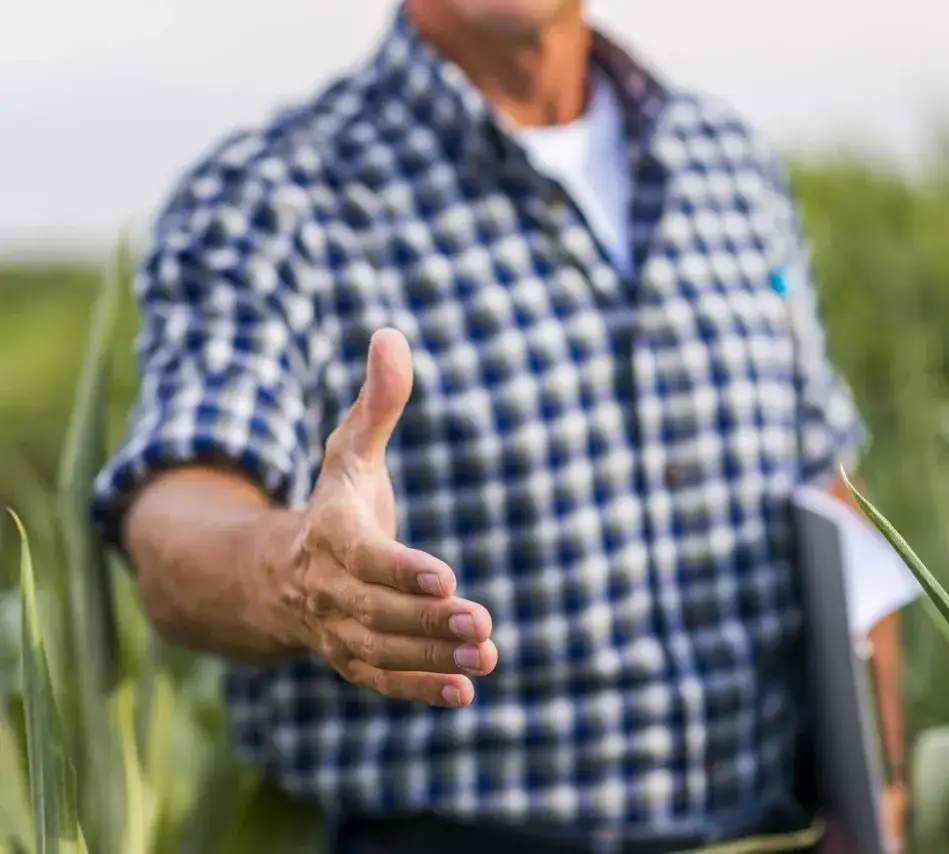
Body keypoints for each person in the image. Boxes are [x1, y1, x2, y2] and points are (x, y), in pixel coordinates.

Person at [90, 1, 908, 851]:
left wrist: (881, 793)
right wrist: (301, 571)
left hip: (779, 824)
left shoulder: (728, 164)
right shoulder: (272, 200)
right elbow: (176, 516)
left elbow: (827, 491)